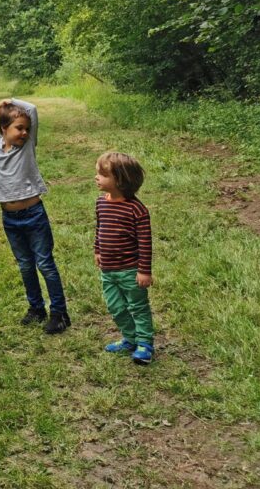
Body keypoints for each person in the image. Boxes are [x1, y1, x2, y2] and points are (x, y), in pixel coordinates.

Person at [0, 98, 71, 334]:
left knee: (45, 263)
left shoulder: (28, 145)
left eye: (26, 129)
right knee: (25, 265)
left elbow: (31, 109)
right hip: (10, 219)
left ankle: (59, 313)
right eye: (18, 128)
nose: (24, 133)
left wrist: (10, 101)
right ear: (4, 129)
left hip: (34, 214)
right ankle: (36, 308)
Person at [93, 151, 155, 365]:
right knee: (116, 307)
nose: (97, 177)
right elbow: (99, 229)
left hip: (130, 270)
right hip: (108, 270)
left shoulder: (136, 210)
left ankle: (145, 342)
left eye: (102, 174)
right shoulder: (101, 203)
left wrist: (144, 271)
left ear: (120, 180)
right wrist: (98, 250)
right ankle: (130, 338)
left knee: (138, 307)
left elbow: (145, 243)